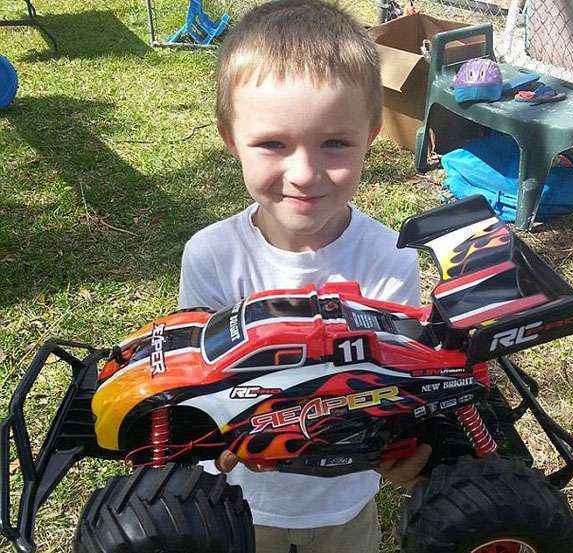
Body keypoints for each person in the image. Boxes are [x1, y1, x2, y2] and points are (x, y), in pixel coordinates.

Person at [178, 1, 431, 551]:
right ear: (230, 138)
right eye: (273, 143)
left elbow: (396, 385)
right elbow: (197, 383)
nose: (305, 174)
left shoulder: (390, 257)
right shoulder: (211, 256)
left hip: (346, 503)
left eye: (334, 143)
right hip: (241, 503)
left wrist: (407, 446)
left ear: (370, 133)